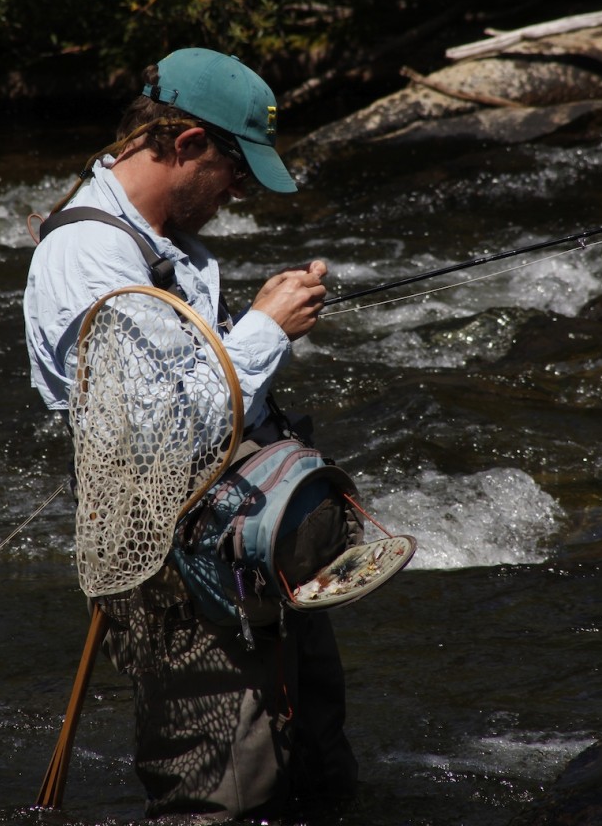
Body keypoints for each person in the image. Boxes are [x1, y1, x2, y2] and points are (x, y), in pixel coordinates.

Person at [24, 48, 358, 820]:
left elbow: (187, 383)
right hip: (179, 570)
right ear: (185, 145)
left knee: (316, 773)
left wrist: (253, 326)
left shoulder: (166, 243)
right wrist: (267, 333)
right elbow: (161, 438)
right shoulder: (88, 257)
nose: (239, 194)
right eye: (236, 172)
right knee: (219, 798)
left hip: (245, 551)